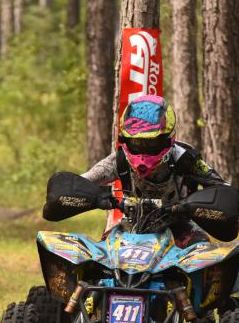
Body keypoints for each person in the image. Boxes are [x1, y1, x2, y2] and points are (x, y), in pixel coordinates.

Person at [82, 95, 227, 246]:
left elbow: (222, 190)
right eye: (137, 143)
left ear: (168, 138)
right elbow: (82, 181)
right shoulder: (119, 160)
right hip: (130, 228)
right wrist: (95, 197)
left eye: (151, 143)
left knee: (205, 257)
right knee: (99, 256)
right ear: (125, 140)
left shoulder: (186, 159)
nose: (143, 150)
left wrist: (199, 205)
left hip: (182, 229)